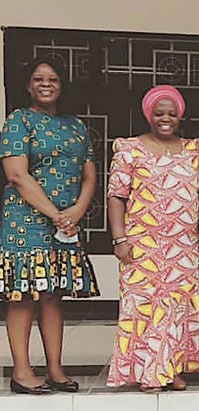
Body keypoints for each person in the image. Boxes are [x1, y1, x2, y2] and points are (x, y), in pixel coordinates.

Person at [106, 85, 199, 392]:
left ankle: (170, 368)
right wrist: (119, 239)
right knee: (144, 308)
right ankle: (151, 373)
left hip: (183, 245)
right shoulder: (130, 149)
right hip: (142, 245)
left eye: (172, 113)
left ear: (180, 115)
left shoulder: (195, 150)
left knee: (180, 307)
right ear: (148, 115)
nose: (165, 118)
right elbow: (116, 196)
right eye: (159, 113)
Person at [0, 60, 99, 394]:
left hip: (65, 223)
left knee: (54, 295)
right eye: (38, 79)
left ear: (62, 85)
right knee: (24, 295)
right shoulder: (19, 119)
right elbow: (17, 174)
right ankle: (22, 373)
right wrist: (56, 213)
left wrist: (78, 210)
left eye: (53, 79)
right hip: (25, 221)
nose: (46, 84)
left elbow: (89, 174)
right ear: (28, 86)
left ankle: (56, 369)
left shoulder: (76, 126)